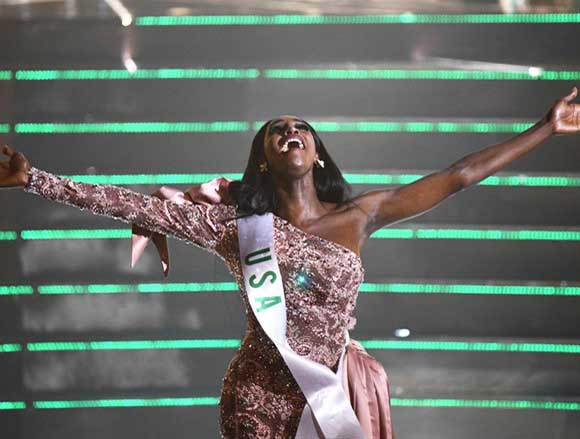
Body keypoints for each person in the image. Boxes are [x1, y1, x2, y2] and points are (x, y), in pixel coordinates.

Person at [1, 87, 578, 438]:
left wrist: (545, 128)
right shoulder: (237, 229)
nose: (290, 132)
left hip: (334, 396)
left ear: (316, 151)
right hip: (258, 399)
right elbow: (130, 204)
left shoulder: (361, 215)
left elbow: (457, 176)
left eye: (300, 128)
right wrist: (32, 179)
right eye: (276, 131)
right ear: (262, 159)